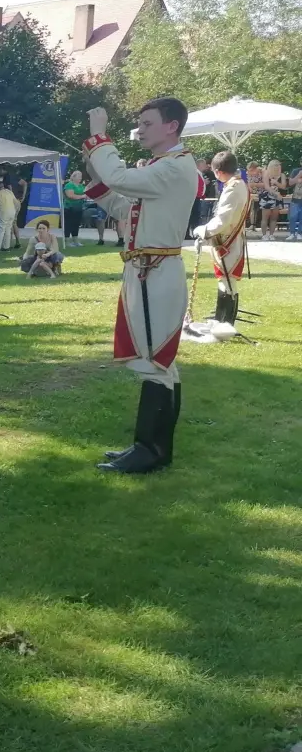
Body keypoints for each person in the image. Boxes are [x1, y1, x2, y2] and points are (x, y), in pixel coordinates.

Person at [80, 99, 198, 474]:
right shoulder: (163, 168)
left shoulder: (176, 167)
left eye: (148, 123)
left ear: (172, 127)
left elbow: (121, 178)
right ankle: (152, 447)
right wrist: (98, 182)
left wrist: (100, 137)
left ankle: (150, 449)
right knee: (158, 361)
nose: (141, 129)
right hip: (147, 268)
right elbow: (125, 207)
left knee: (155, 361)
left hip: (157, 271)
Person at [192, 151, 250, 323]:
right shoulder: (238, 184)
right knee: (226, 280)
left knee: (227, 281)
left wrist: (202, 231)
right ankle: (221, 319)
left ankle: (225, 322)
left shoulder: (233, 188)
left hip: (228, 241)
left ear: (218, 171)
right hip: (230, 239)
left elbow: (222, 220)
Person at [260, 159, 287, 240]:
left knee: (274, 218)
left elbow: (283, 186)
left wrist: (276, 182)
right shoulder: (266, 174)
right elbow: (267, 187)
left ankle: (271, 235)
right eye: (276, 165)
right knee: (265, 217)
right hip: (267, 197)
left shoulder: (282, 175)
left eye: (279, 165)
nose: (278, 167)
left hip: (277, 198)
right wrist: (275, 194)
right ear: (271, 166)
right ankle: (264, 235)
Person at [62, 170, 88, 242]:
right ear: (73, 177)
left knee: (76, 224)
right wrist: (82, 196)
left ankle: (75, 239)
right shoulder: (69, 185)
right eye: (79, 176)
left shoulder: (81, 186)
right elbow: (70, 195)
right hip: (69, 207)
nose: (80, 178)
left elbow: (86, 194)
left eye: (81, 176)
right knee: (68, 224)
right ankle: (67, 240)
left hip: (79, 208)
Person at [0, 180, 21, 250]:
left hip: (4, 212)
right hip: (12, 212)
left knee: (1, 229)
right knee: (8, 229)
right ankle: (6, 247)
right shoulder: (10, 192)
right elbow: (16, 203)